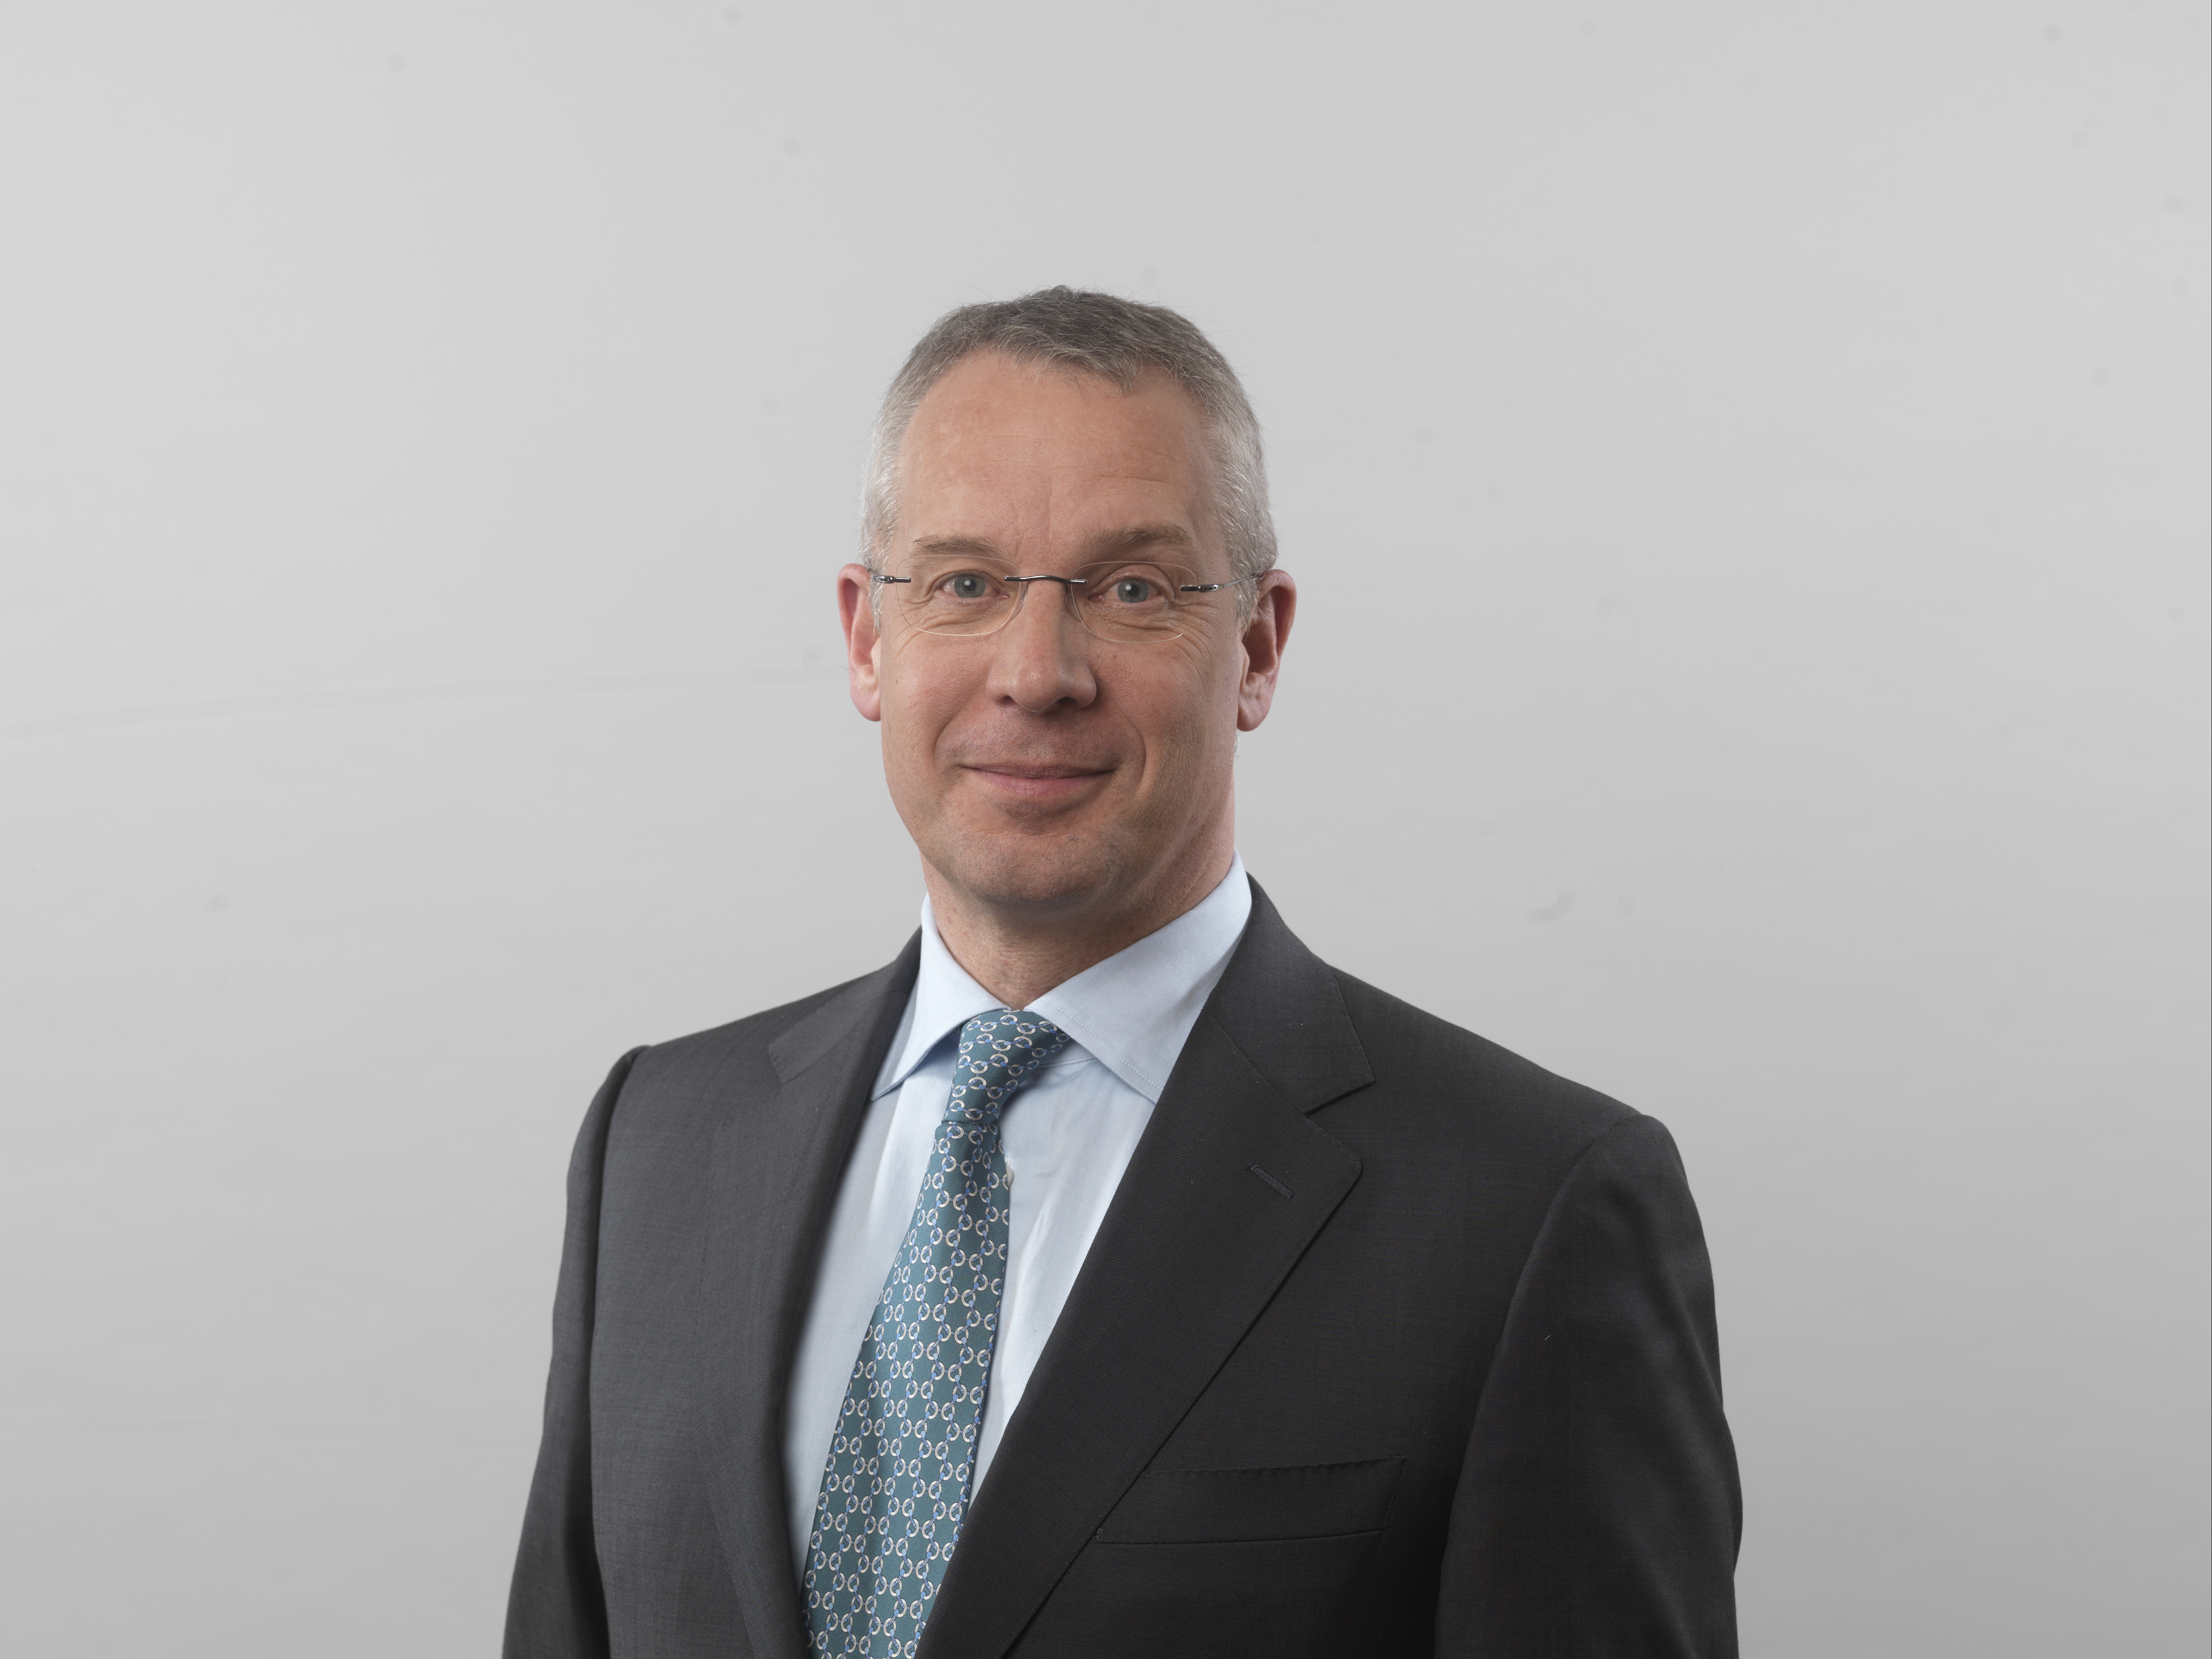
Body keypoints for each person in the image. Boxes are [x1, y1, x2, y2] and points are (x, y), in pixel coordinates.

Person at [504, 287, 1740, 1658]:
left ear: (1256, 648)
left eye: (1130, 589)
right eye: (964, 584)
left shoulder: (1527, 1209)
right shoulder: (656, 1144)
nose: (1036, 673)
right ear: (866, 638)